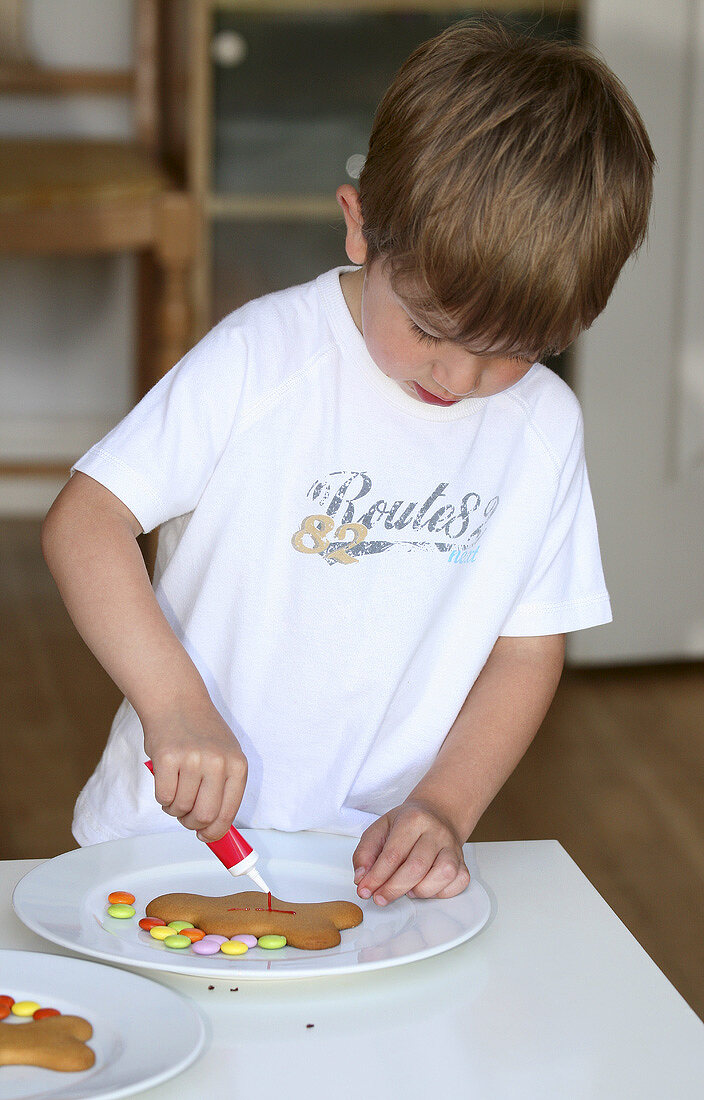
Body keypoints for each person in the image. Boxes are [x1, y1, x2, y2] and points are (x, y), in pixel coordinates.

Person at [41, 19, 655, 908]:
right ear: (360, 228)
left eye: (518, 348)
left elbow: (527, 653)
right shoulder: (265, 357)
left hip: (362, 870)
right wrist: (173, 707)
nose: (463, 377)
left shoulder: (543, 431)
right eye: (433, 330)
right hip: (166, 840)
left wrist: (445, 807)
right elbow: (85, 520)